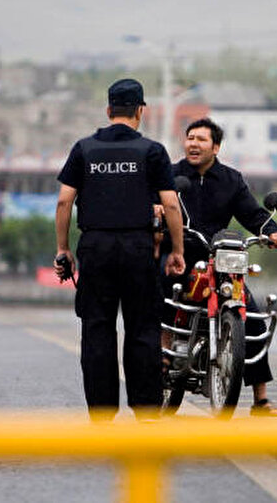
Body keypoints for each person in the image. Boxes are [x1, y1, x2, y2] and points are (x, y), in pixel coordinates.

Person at [54, 79, 185, 421]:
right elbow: (170, 205)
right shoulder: (152, 151)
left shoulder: (84, 149)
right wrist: (177, 251)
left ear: (109, 110)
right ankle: (145, 411)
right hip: (138, 248)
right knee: (143, 328)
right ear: (141, 111)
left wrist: (63, 249)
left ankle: (101, 414)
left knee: (97, 328)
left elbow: (64, 200)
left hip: (95, 248)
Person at [163, 118, 277, 417]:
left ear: (216, 147)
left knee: (253, 316)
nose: (193, 144)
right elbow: (157, 206)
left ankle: (260, 400)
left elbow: (252, 212)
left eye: (201, 140)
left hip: (219, 258)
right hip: (179, 254)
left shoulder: (231, 180)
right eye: (190, 138)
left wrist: (271, 231)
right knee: (161, 296)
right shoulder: (171, 175)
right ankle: (164, 355)